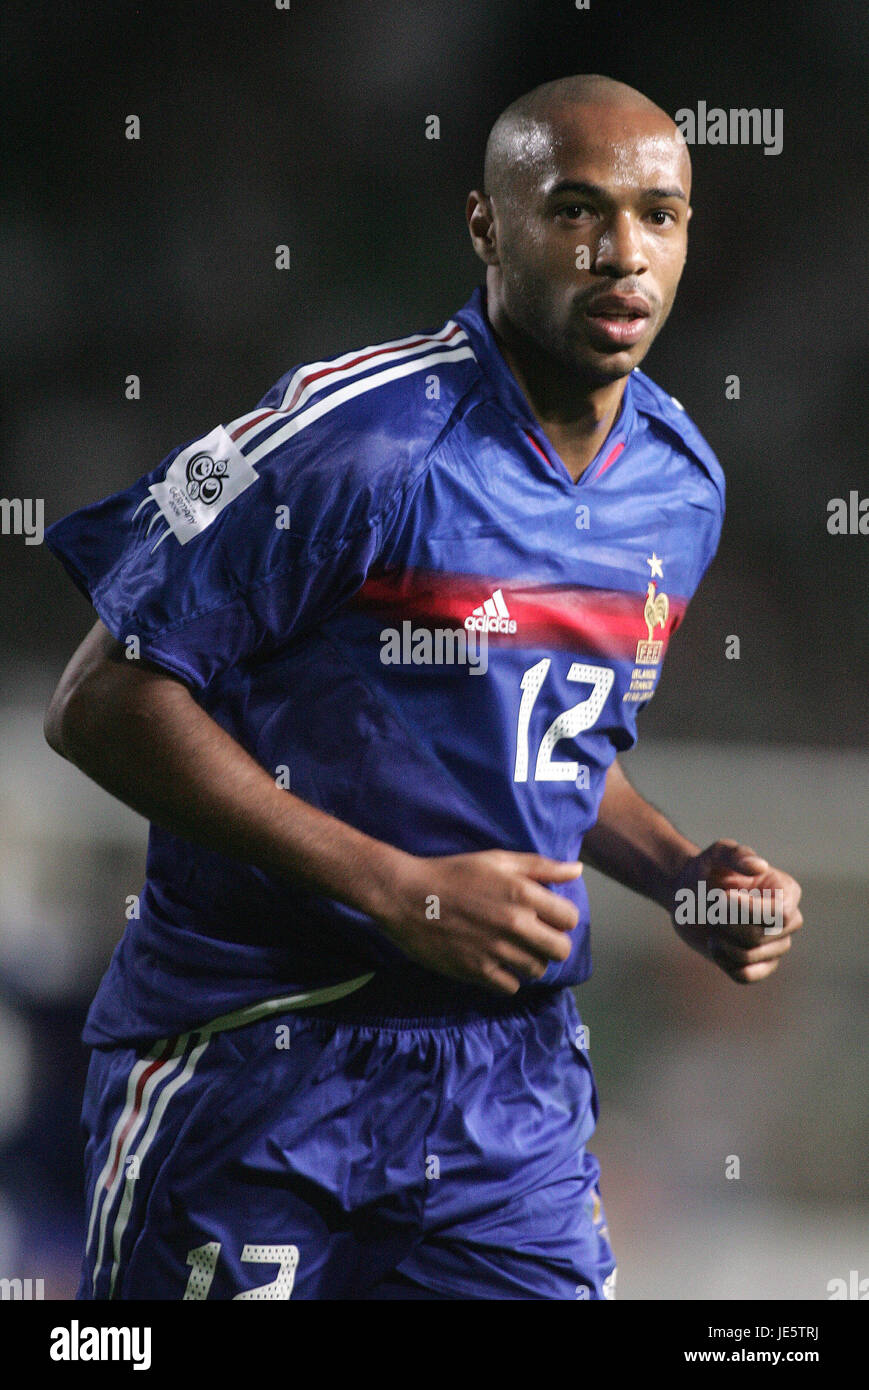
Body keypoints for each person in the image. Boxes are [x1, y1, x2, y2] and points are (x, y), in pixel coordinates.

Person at [44, 73, 803, 1301]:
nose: (621, 252)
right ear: (484, 227)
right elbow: (101, 700)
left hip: (508, 1098)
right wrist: (394, 887)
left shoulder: (678, 484)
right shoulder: (357, 443)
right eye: (574, 210)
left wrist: (677, 875)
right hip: (251, 1064)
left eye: (657, 214)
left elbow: (536, 747)